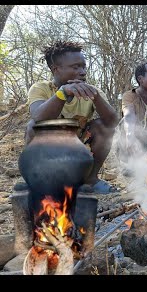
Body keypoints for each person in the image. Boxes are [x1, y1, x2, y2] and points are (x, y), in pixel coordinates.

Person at [26, 41, 119, 194]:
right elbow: (38, 117)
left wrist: (95, 97)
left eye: (83, 67)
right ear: (56, 69)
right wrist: (62, 94)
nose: (82, 72)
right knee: (32, 127)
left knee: (103, 126)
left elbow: (113, 122)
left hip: (79, 145)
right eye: (75, 67)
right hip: (51, 147)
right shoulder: (41, 88)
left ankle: (90, 179)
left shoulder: (91, 90)